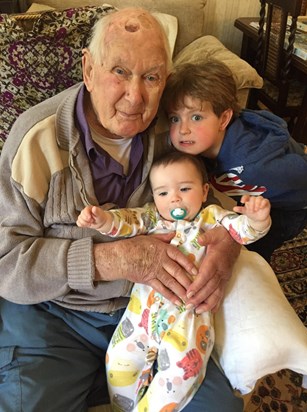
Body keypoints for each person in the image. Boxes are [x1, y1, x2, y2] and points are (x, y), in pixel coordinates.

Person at [0, 7, 243, 412]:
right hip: (55, 316)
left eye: (151, 77)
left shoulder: (175, 130)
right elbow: (7, 263)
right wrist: (112, 259)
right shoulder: (35, 140)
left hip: (151, 310)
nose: (136, 97)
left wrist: (226, 249)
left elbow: (214, 206)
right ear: (88, 68)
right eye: (119, 72)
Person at [77, 151, 271, 411]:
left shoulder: (212, 218)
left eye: (184, 188)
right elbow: (124, 222)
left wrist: (257, 219)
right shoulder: (152, 218)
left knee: (180, 375)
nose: (174, 198)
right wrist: (102, 220)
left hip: (189, 317)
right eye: (163, 193)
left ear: (203, 192)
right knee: (119, 363)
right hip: (140, 315)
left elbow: (243, 231)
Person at [162, 60, 307, 262]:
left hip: (291, 207)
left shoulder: (252, 165)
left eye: (196, 117)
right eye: (175, 118)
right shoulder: (202, 146)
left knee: (255, 249)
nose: (183, 129)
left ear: (223, 119)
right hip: (256, 194)